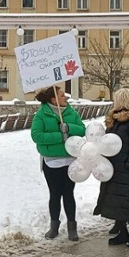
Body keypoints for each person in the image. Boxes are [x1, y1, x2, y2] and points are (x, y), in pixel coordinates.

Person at [30, 85, 86, 241]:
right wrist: (59, 137)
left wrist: (68, 127)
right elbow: (37, 136)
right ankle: (53, 226)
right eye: (62, 95)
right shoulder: (41, 114)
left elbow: (82, 130)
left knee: (69, 194)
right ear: (53, 99)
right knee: (55, 194)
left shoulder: (70, 111)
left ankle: (72, 227)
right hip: (52, 161)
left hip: (70, 160)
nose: (65, 98)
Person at [93, 88, 129, 247]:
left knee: (125, 201)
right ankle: (123, 232)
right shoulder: (114, 120)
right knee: (115, 201)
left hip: (124, 168)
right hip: (111, 167)